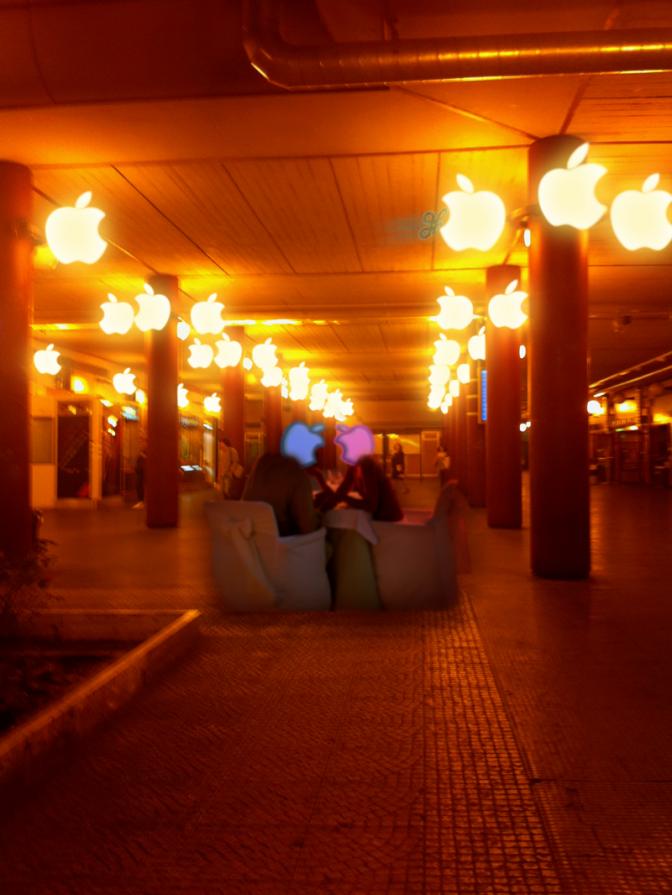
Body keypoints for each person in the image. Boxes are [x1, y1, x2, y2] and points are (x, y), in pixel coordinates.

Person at [242, 452, 320, 536]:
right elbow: (308, 527)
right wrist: (320, 515)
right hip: (287, 545)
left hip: (251, 541)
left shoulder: (261, 463)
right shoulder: (295, 470)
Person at [325, 455, 403, 522]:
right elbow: (340, 492)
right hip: (376, 517)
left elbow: (371, 506)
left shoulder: (367, 464)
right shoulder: (353, 466)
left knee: (347, 526)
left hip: (387, 519)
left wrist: (344, 498)